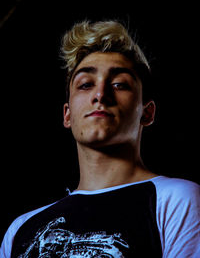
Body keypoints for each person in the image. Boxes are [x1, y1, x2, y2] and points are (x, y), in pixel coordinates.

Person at [1, 20, 199, 258]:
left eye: (119, 84)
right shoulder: (20, 230)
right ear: (67, 115)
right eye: (85, 84)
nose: (100, 94)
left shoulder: (177, 199)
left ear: (147, 113)